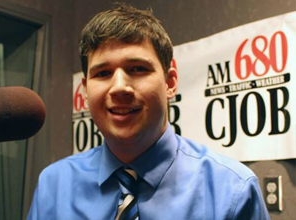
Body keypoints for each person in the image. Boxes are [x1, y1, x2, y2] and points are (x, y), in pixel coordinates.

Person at [28, 3, 270, 220]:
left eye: (137, 68)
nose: (119, 87)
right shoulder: (54, 186)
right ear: (86, 91)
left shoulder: (232, 190)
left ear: (170, 82)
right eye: (103, 73)